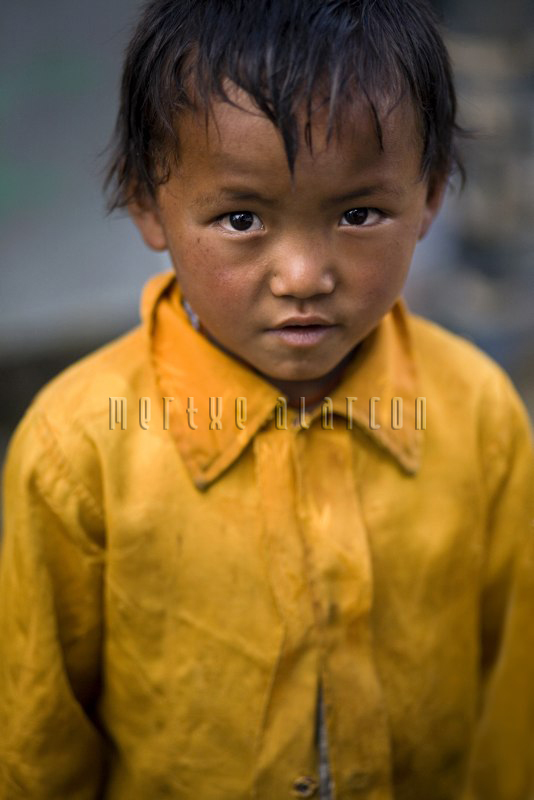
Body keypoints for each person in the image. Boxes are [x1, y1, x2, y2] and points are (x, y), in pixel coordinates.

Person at [1, 0, 533, 797]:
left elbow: (512, 699)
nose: (303, 276)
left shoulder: (479, 414)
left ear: (429, 196)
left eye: (359, 213)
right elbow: (38, 737)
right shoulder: (75, 449)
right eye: (242, 218)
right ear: (148, 203)